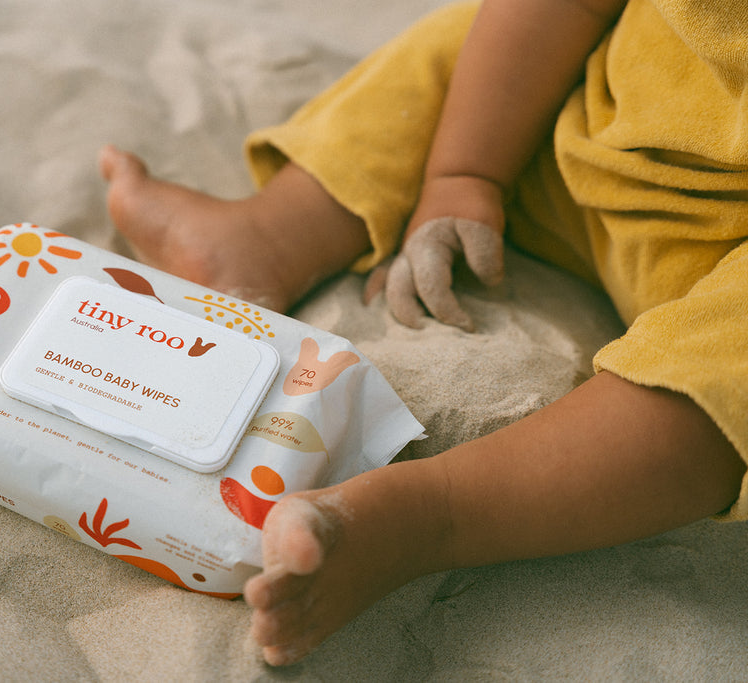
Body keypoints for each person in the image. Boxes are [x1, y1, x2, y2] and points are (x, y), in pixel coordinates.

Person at [99, 0, 748, 667]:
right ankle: (279, 229)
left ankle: (433, 515)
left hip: (722, 273)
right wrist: (463, 175)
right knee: (472, 47)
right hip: (571, 133)